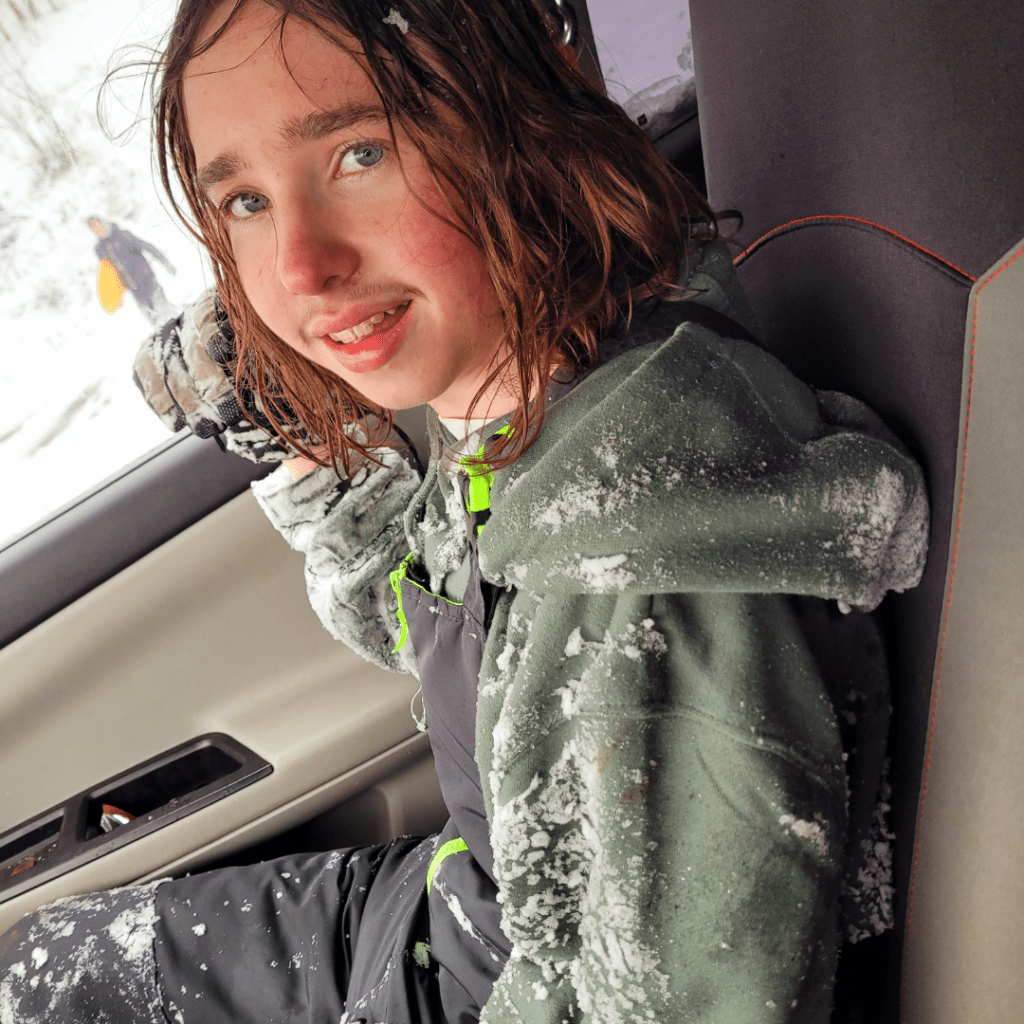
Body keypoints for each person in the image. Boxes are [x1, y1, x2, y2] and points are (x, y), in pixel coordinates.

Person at [0, 1, 928, 1022]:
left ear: (519, 122)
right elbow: (460, 628)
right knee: (40, 969)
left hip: (502, 976)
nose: (302, 266)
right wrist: (309, 459)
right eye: (248, 202)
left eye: (359, 152)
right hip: (465, 911)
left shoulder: (649, 592)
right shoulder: (528, 381)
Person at [88, 217, 178, 327]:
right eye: (94, 228)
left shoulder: (123, 235)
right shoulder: (101, 249)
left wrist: (165, 262)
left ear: (104, 223)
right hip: (134, 290)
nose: (98, 228)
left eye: (98, 224)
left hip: (148, 281)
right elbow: (108, 275)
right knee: (157, 325)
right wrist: (115, 296)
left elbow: (147, 247)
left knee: (168, 316)